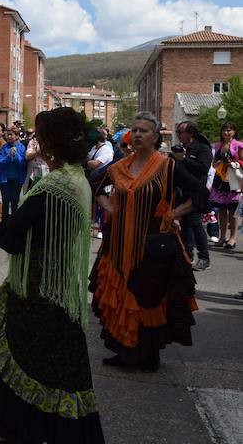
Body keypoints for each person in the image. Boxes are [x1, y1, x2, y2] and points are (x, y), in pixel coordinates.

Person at [0, 107, 105, 444]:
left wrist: (8, 225)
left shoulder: (55, 184)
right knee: (61, 363)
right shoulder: (76, 177)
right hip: (60, 286)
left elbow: (10, 234)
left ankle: (22, 430)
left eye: (41, 135)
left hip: (39, 287)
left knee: (25, 360)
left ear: (51, 141)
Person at [90, 112, 207, 373]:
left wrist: (173, 213)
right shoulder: (120, 166)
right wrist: (110, 207)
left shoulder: (167, 166)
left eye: (144, 130)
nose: (139, 134)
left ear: (155, 137)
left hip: (153, 245)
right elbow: (94, 185)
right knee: (120, 294)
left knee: (148, 297)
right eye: (135, 130)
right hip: (119, 244)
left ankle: (148, 355)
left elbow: (200, 194)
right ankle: (124, 352)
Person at [173, 121, 213, 270]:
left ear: (190, 133)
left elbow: (203, 168)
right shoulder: (182, 149)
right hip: (182, 192)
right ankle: (187, 255)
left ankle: (204, 257)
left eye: (180, 132)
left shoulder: (202, 148)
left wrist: (184, 159)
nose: (178, 135)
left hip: (196, 192)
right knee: (185, 225)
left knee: (196, 224)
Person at [210, 121, 243, 249]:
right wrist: (217, 163)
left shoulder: (239, 145)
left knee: (233, 210)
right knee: (221, 210)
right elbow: (213, 163)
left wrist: (234, 163)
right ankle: (222, 236)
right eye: (224, 130)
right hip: (220, 180)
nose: (226, 132)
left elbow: (242, 161)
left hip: (234, 180)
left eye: (229, 130)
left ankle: (233, 238)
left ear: (234, 132)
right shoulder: (217, 146)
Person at [0, 127, 26, 223]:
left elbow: (23, 164)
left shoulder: (21, 147)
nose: (8, 137)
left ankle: (14, 222)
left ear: (17, 136)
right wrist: (9, 156)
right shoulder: (4, 147)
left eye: (11, 134)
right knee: (5, 201)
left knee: (14, 201)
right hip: (5, 180)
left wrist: (16, 155)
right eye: (8, 134)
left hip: (17, 179)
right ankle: (4, 223)